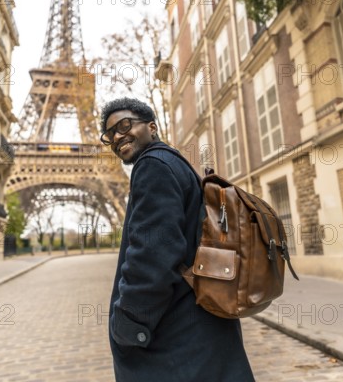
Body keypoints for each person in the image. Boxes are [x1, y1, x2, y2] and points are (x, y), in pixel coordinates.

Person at [100, 97, 254, 381]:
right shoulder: (174, 162)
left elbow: (153, 255)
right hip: (199, 326)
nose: (117, 136)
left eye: (124, 125)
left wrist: (128, 324)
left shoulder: (152, 166)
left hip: (175, 335)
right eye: (109, 135)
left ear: (152, 127)